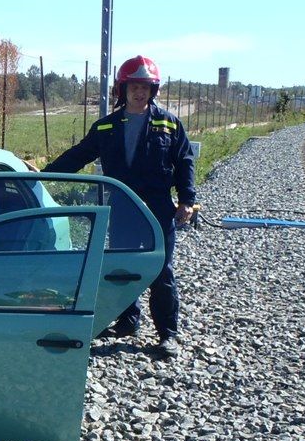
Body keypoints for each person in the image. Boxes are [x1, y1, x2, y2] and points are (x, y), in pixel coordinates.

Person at [42, 55, 196, 359]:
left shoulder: (169, 124)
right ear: (123, 89)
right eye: (134, 87)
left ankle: (168, 334)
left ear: (153, 90)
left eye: (145, 87)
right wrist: (45, 175)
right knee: (123, 268)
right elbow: (79, 155)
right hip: (123, 208)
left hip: (158, 210)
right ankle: (127, 322)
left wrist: (187, 200)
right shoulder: (106, 127)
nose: (139, 92)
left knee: (161, 270)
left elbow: (185, 162)